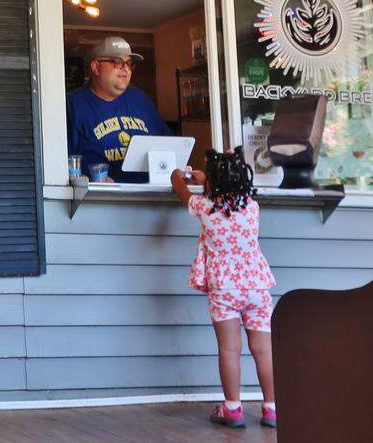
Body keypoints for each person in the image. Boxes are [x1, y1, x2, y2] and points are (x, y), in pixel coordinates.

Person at [171, 148, 277, 429]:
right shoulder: (252, 206)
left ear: (211, 183)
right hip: (257, 286)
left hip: (224, 288)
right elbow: (223, 185)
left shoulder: (204, 207)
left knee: (229, 350)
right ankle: (272, 408)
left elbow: (179, 188)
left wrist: (179, 174)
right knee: (264, 350)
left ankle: (232, 408)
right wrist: (208, 175)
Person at [66, 36, 170, 183]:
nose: (125, 68)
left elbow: (168, 146)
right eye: (117, 62)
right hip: (99, 199)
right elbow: (61, 162)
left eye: (129, 63)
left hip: (149, 195)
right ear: (96, 67)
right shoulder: (72, 106)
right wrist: (85, 180)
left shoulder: (141, 100)